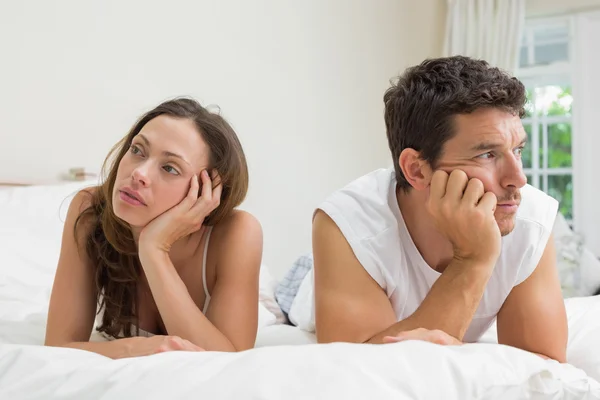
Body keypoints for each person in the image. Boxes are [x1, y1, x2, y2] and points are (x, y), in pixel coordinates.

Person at [309, 56, 567, 362]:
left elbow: (542, 370)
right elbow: (360, 374)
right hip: (311, 286)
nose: (518, 179)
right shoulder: (348, 225)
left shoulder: (528, 219)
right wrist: (472, 259)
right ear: (417, 170)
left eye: (517, 150)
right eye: (486, 154)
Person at [45, 98, 263, 358]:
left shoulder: (237, 233)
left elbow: (229, 364)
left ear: (207, 191)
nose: (139, 173)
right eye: (138, 150)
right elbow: (58, 347)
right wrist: (130, 349)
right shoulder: (90, 211)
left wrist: (154, 249)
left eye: (170, 168)